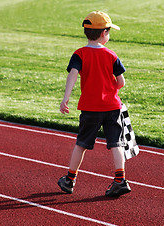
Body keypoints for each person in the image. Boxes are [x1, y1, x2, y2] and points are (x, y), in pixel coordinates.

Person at [58, 11, 131, 197]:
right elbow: (121, 82)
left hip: (91, 107)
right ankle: (120, 180)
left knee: (81, 143)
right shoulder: (111, 55)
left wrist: (66, 97)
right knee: (116, 143)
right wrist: (111, 90)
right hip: (112, 106)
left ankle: (70, 180)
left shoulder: (79, 54)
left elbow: (72, 75)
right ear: (103, 33)